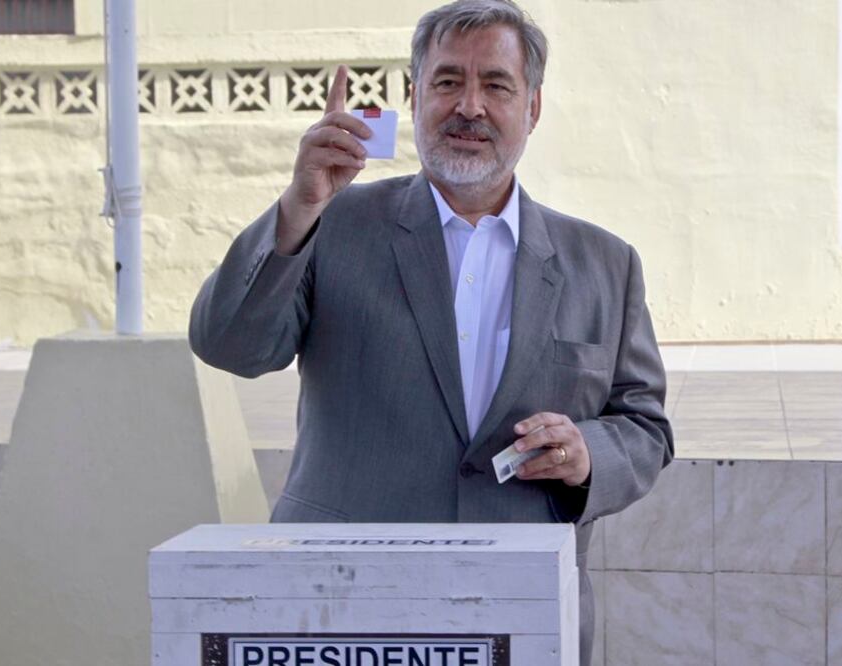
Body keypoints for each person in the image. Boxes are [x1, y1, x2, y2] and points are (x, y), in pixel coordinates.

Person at [189, 0, 673, 661]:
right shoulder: (333, 223)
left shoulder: (605, 263)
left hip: (519, 611)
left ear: (531, 108)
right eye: (447, 82)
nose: (468, 106)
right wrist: (298, 205)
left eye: (495, 85)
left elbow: (643, 424)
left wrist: (589, 453)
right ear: (413, 98)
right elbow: (229, 346)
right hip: (342, 610)